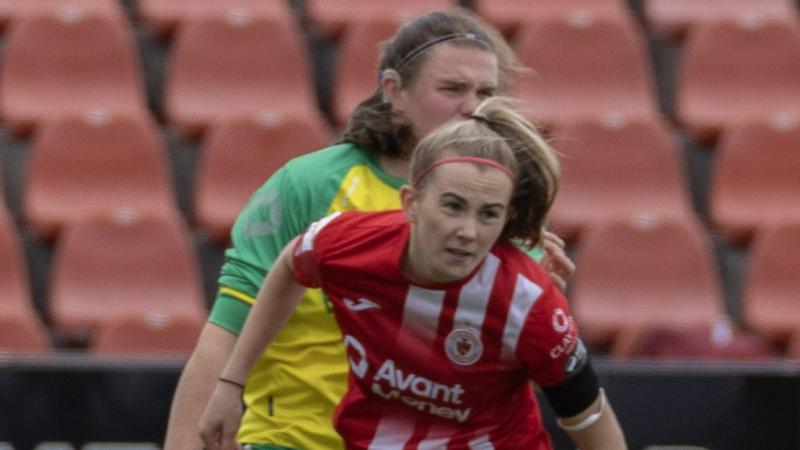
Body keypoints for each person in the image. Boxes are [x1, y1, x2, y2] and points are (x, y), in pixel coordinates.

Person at [164, 8, 576, 450]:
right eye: (452, 89)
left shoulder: (502, 206)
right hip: (298, 440)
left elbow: (506, 384)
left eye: (487, 92)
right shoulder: (308, 185)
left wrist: (535, 320)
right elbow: (226, 331)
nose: (474, 108)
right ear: (394, 91)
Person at [199, 97, 627, 450]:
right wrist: (230, 384)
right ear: (410, 203)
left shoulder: (530, 302)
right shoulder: (349, 242)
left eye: (489, 215)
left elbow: (589, 417)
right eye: (453, 206)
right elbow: (291, 264)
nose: (467, 232)